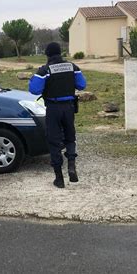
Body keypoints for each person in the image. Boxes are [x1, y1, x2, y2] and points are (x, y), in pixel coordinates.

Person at [28, 42, 86, 188]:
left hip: (53, 108)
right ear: (60, 53)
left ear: (47, 54)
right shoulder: (73, 67)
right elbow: (82, 85)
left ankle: (59, 178)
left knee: (54, 141)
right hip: (69, 108)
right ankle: (71, 165)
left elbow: (34, 90)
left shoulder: (45, 70)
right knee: (70, 137)